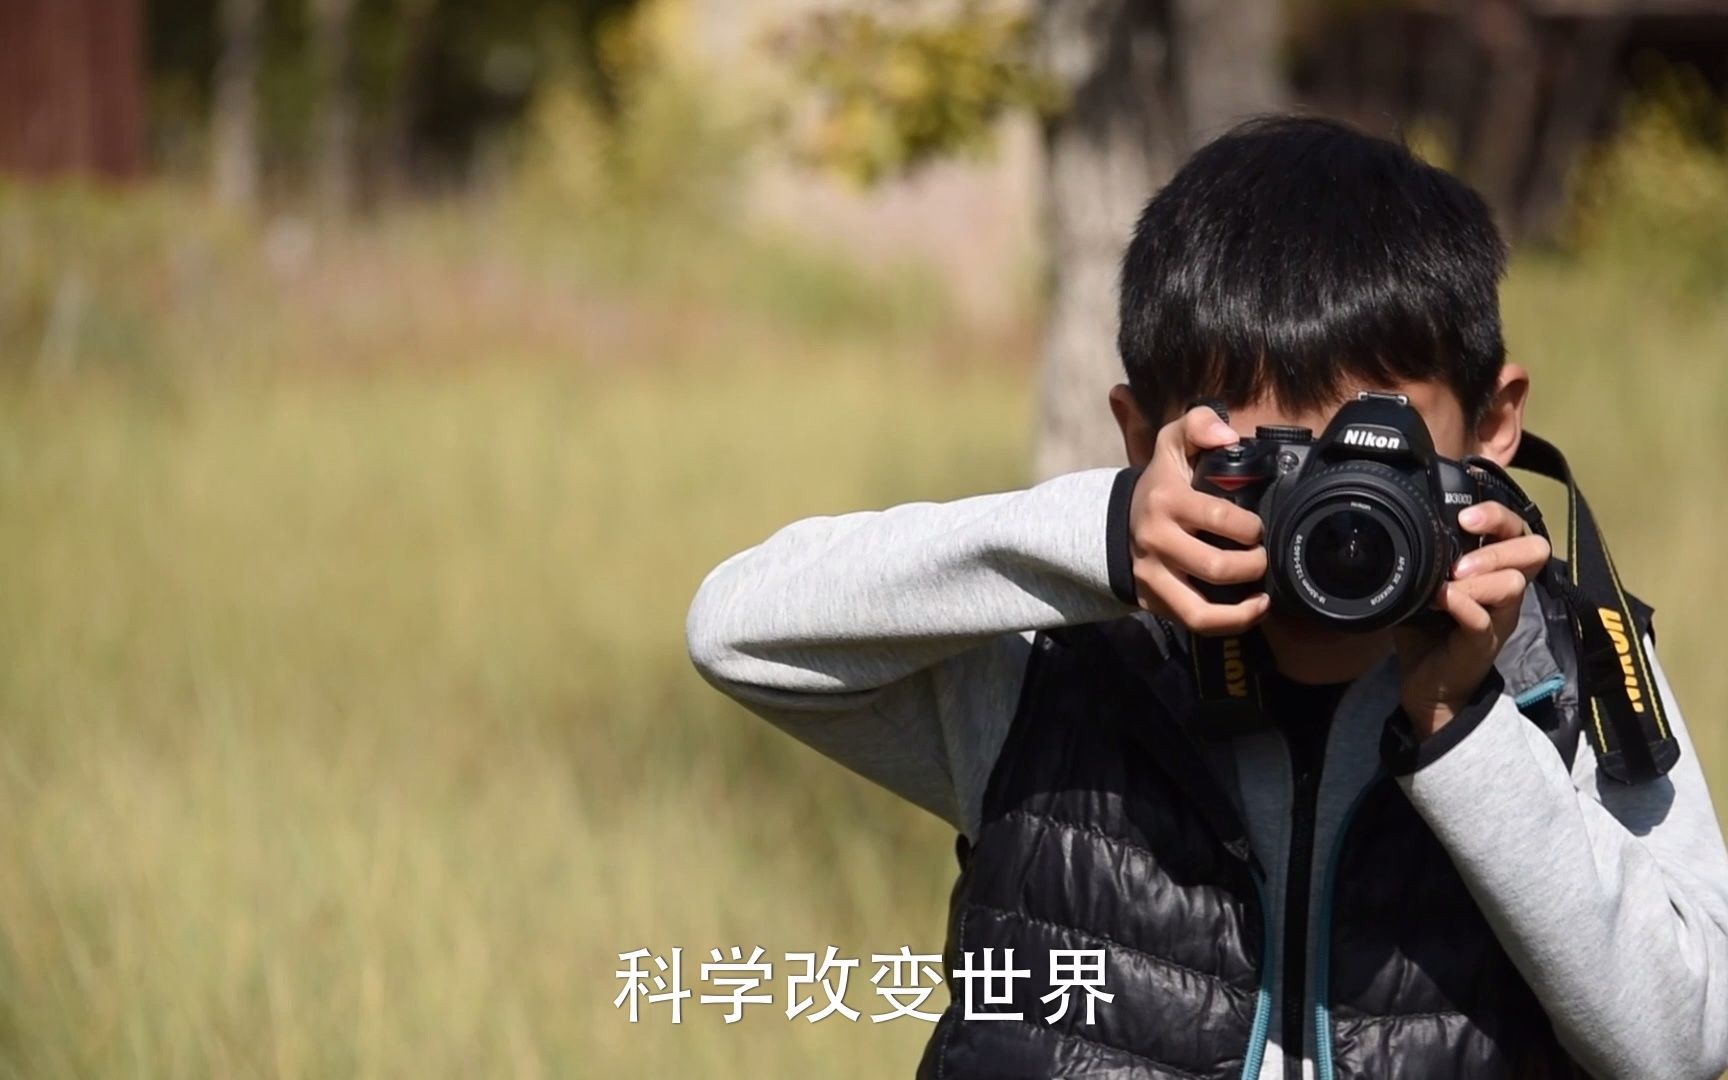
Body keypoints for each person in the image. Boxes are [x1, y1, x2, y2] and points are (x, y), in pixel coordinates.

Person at [683, 115, 1728, 1079]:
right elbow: (736, 633)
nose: (1333, 529)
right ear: (1148, 442)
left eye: (1373, 467)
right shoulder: (1064, 675)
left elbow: (1680, 1044)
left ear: (1495, 425)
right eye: (1269, 467)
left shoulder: (1567, 672)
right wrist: (1100, 534)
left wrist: (1471, 731)